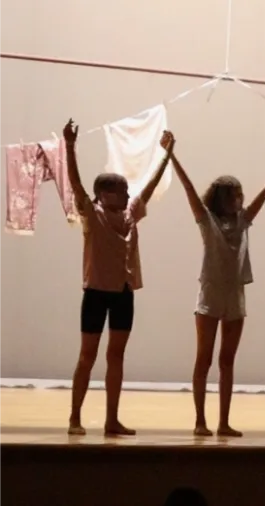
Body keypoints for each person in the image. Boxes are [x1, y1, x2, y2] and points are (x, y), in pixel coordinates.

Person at [170, 140, 265, 437]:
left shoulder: (243, 220)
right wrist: (171, 154)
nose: (239, 200)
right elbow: (188, 190)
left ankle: (223, 421)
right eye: (234, 196)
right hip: (210, 296)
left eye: (241, 195)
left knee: (227, 361)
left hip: (235, 296)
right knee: (204, 359)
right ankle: (200, 420)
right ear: (221, 198)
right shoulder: (207, 220)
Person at [65, 119, 172, 436]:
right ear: (103, 195)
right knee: (88, 355)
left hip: (124, 292)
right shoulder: (92, 214)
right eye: (121, 190)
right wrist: (70, 146)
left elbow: (149, 190)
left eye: (127, 190)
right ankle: (75, 416)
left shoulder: (130, 215)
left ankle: (112, 420)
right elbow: (75, 183)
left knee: (116, 355)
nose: (128, 195)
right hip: (96, 292)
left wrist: (166, 155)